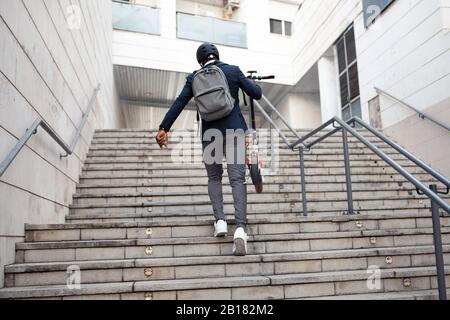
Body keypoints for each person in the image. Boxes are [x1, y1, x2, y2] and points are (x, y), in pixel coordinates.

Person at [156, 43, 262, 256]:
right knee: (237, 179)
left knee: (214, 178)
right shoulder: (232, 70)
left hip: (209, 134)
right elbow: (256, 93)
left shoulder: (194, 78)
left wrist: (163, 128)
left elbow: (179, 102)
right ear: (217, 55)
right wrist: (247, 80)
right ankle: (240, 229)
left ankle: (220, 221)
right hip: (234, 130)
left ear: (200, 61)